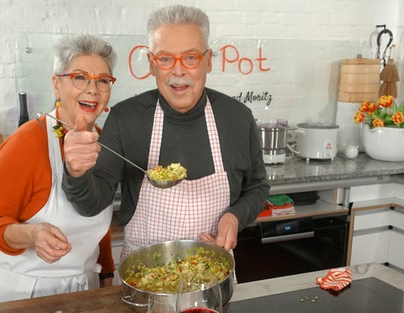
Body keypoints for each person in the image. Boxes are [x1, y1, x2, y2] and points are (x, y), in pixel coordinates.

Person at [62, 5, 269, 262]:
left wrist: (235, 216)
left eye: (191, 57)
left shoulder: (237, 118)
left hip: (212, 277)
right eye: (165, 58)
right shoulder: (126, 118)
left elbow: (258, 187)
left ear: (208, 61)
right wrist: (76, 172)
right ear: (152, 64)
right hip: (142, 279)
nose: (178, 71)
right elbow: (90, 205)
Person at [0, 34, 117, 313]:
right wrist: (31, 235)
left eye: (103, 80)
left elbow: (97, 224)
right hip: (18, 298)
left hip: (78, 294)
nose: (92, 90)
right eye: (79, 77)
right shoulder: (27, 142)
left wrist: (107, 281)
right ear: (57, 83)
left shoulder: (101, 143)